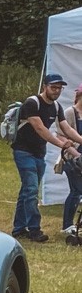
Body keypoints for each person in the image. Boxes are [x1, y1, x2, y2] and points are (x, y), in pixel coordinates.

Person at [12, 73, 79, 243]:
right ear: (45, 86)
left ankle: (19, 229)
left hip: (39, 153)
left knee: (27, 190)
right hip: (23, 151)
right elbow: (40, 129)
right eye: (53, 87)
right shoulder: (32, 103)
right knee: (32, 189)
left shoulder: (56, 107)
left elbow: (67, 129)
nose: (56, 91)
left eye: (59, 88)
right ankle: (34, 230)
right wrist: (61, 144)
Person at [60, 85, 82, 240]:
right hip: (71, 158)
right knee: (76, 190)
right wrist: (76, 155)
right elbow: (62, 136)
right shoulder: (70, 112)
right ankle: (67, 225)